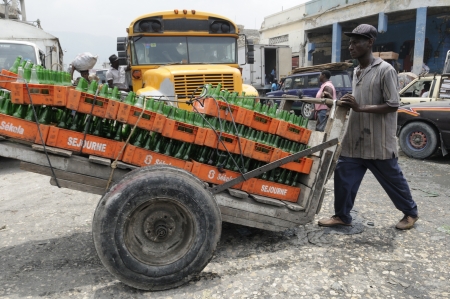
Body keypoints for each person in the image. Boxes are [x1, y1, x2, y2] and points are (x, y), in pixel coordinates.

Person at [318, 24, 419, 230]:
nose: (351, 46)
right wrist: (336, 102)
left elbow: (393, 104)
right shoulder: (356, 71)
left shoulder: (385, 70)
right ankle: (342, 216)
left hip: (378, 141)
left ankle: (411, 213)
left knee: (393, 180)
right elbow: (357, 102)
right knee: (343, 177)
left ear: (370, 43)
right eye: (350, 42)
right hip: (355, 139)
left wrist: (360, 107)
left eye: (356, 42)